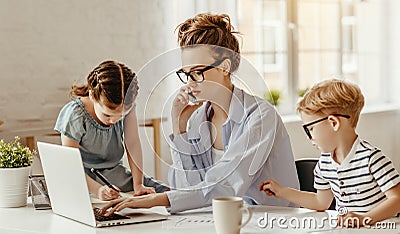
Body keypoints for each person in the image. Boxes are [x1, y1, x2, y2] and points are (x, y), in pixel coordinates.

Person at [101, 13, 299, 214]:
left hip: (272, 222)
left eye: (197, 72)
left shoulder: (261, 117)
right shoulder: (198, 119)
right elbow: (188, 189)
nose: (190, 82)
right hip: (223, 220)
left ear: (224, 66)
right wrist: (179, 128)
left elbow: (224, 186)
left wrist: (155, 200)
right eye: (187, 74)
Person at [260, 79, 400, 227]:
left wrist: (364, 219)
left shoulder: (372, 159)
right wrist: (282, 191)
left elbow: (397, 199)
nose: (310, 137)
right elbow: (321, 202)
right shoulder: (324, 165)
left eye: (310, 129)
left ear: (334, 122)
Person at [54, 60, 168, 201]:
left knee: (164, 191)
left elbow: (132, 143)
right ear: (92, 96)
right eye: (107, 115)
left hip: (114, 174)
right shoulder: (75, 114)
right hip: (80, 176)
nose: (113, 121)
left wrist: (138, 184)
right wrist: (98, 190)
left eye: (121, 116)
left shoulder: (128, 107)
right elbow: (70, 163)